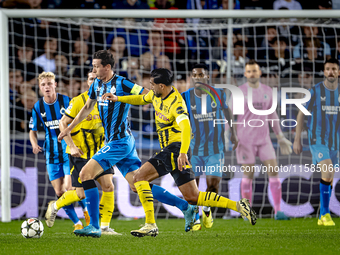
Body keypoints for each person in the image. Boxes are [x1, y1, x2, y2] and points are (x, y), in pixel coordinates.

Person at [58, 50, 198, 238]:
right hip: (122, 142)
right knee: (136, 184)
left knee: (85, 174)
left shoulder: (122, 83)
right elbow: (87, 107)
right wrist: (68, 128)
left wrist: (155, 99)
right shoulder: (97, 84)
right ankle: (184, 206)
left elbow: (145, 93)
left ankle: (94, 226)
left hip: (120, 142)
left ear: (107, 67)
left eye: (96, 66)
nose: (93, 69)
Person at [102, 68, 257, 238]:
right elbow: (140, 98)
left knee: (139, 178)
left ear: (162, 85)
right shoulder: (156, 95)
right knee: (192, 196)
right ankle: (238, 206)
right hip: (173, 151)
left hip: (175, 149)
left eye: (152, 85)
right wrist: (118, 98)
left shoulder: (176, 103)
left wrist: (183, 153)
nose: (150, 88)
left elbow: (186, 127)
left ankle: (150, 224)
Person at [44, 71, 120, 235]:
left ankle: (105, 227)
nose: (95, 81)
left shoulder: (108, 101)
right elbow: (63, 123)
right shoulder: (78, 101)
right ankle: (55, 206)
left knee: (108, 186)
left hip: (100, 152)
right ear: (87, 82)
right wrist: (71, 146)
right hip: (79, 152)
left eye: (97, 79)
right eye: (91, 79)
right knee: (80, 193)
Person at [181, 64, 238, 230]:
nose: (198, 78)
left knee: (213, 185)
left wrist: (233, 132)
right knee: (194, 188)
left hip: (215, 148)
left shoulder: (218, 94)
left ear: (207, 77)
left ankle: (207, 209)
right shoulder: (185, 97)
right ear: (191, 78)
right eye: (195, 75)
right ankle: (196, 218)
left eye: (201, 75)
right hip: (193, 149)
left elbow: (227, 112)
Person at [29, 71, 86, 232]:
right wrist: (34, 143)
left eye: (49, 83)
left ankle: (86, 212)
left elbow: (78, 119)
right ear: (40, 88)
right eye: (43, 85)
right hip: (51, 154)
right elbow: (32, 130)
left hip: (68, 151)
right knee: (59, 192)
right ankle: (77, 223)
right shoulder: (38, 107)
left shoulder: (66, 101)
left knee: (70, 187)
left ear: (55, 85)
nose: (46, 87)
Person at [235, 60, 292, 220]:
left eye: (255, 71)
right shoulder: (240, 92)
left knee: (274, 171)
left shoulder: (268, 91)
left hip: (264, 139)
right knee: (248, 175)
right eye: (249, 71)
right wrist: (228, 135)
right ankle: (247, 211)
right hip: (245, 140)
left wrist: (280, 136)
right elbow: (229, 115)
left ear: (260, 72)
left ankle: (278, 211)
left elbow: (272, 115)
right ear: (245, 74)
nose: (252, 74)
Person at [293, 58, 339, 227]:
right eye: (328, 69)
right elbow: (301, 114)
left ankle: (322, 214)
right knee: (327, 171)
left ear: (338, 72)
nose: (331, 72)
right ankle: (325, 215)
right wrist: (297, 139)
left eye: (334, 69)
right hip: (317, 139)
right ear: (324, 72)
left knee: (329, 178)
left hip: (336, 142)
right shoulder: (315, 91)